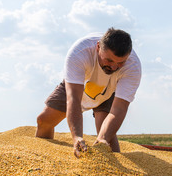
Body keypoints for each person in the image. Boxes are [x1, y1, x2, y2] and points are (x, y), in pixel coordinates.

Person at [35, 27, 142, 157]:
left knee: (108, 144)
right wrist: (77, 137)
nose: (114, 67)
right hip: (78, 84)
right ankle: (43, 160)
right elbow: (73, 98)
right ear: (98, 47)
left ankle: (114, 173)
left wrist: (103, 139)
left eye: (121, 63)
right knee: (44, 120)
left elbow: (119, 109)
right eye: (109, 60)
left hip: (109, 91)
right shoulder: (79, 52)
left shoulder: (133, 67)